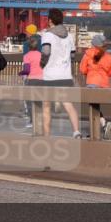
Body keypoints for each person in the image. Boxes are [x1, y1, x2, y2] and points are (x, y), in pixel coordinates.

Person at [39, 8, 81, 138]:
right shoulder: (69, 36)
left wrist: (42, 63)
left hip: (50, 76)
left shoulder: (47, 35)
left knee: (46, 106)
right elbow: (72, 55)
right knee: (68, 104)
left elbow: (46, 51)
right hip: (65, 75)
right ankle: (76, 131)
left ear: (49, 20)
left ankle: (47, 136)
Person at [79, 34, 111, 139]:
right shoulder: (108, 56)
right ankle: (100, 128)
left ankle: (101, 126)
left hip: (92, 83)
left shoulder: (87, 54)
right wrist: (106, 75)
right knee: (96, 106)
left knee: (93, 107)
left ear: (94, 44)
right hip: (104, 85)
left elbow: (82, 69)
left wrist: (89, 72)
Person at [20, 34, 44, 130]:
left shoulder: (27, 56)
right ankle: (41, 120)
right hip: (42, 79)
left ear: (28, 46)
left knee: (30, 101)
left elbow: (26, 70)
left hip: (32, 80)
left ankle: (32, 121)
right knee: (40, 100)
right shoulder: (41, 55)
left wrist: (21, 74)